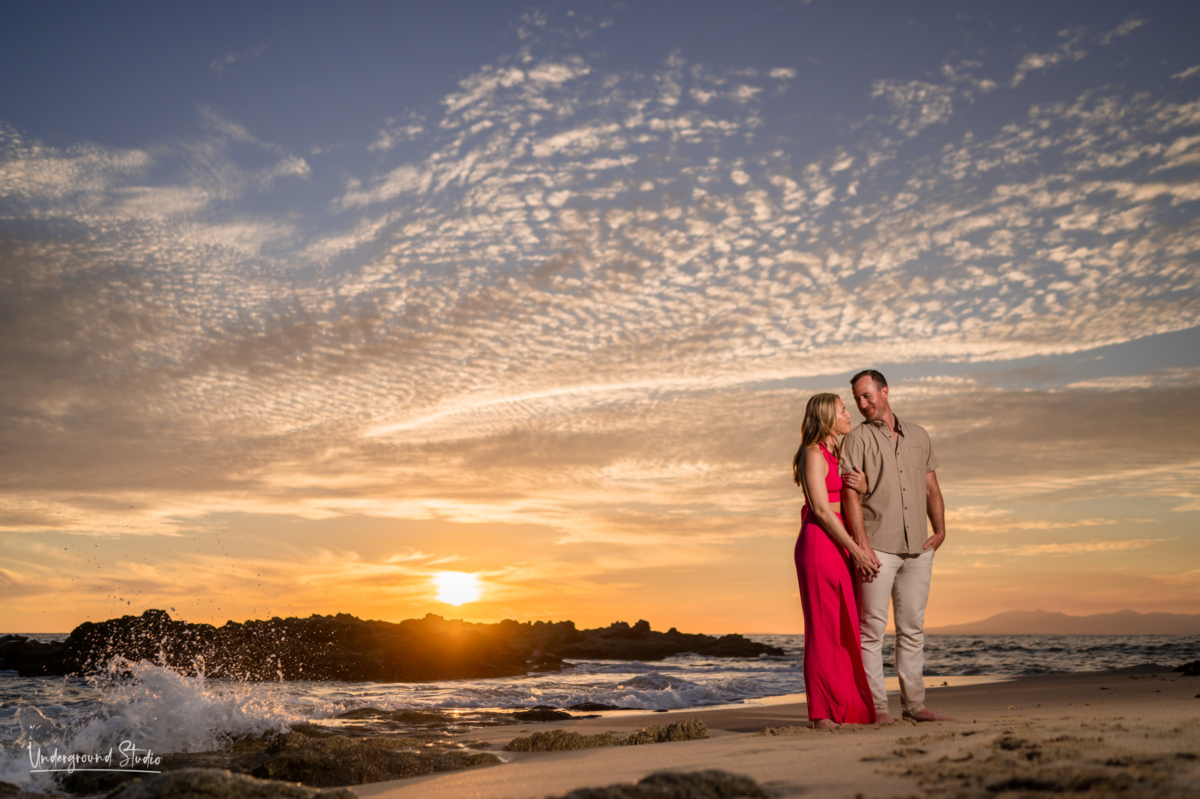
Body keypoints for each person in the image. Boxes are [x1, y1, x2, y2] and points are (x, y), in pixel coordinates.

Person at [839, 369, 948, 723]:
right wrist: (862, 545)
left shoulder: (919, 436)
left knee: (912, 628)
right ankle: (879, 709)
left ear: (885, 391)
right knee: (871, 632)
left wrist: (941, 530)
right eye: (857, 398)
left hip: (919, 547)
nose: (861, 403)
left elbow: (932, 488)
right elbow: (850, 496)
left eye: (867, 395)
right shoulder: (855, 440)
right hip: (878, 548)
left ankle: (915, 706)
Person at [792, 392, 878, 729]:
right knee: (822, 631)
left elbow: (847, 499)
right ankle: (821, 714)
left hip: (838, 544)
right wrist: (857, 550)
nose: (848, 414)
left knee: (844, 627)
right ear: (828, 416)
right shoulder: (812, 454)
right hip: (819, 544)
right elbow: (822, 510)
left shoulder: (836, 453)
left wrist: (865, 485)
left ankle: (846, 707)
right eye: (843, 410)